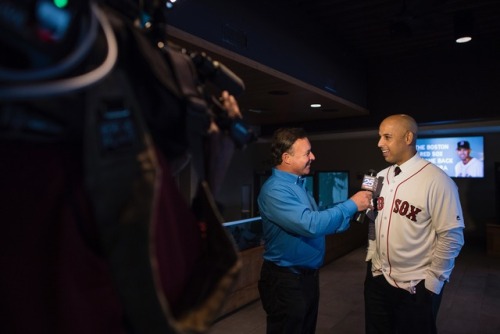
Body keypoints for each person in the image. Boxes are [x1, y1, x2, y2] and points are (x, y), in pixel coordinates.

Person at [257, 127, 373, 334]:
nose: (313, 157)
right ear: (287, 158)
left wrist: (351, 213)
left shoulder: (298, 185)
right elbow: (311, 225)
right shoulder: (275, 190)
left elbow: (318, 218)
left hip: (305, 278)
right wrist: (351, 205)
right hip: (285, 280)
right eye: (307, 153)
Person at [364, 114, 465, 334]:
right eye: (380, 136)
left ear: (408, 137)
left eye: (387, 137)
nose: (380, 143)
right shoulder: (380, 176)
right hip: (378, 278)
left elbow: (451, 236)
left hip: (415, 286)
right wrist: (372, 259)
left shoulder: (438, 180)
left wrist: (433, 283)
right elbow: (373, 221)